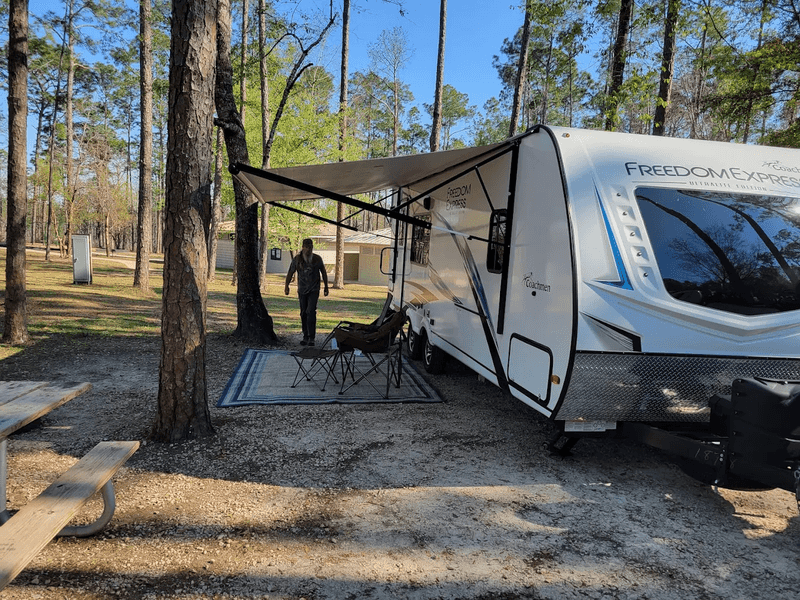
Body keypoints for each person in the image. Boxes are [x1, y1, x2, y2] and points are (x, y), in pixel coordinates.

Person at [285, 238, 329, 346]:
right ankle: (305, 336)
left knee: (311, 311)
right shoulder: (297, 259)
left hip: (314, 289)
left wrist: (326, 286)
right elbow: (290, 272)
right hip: (302, 290)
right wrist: (286, 286)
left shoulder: (317, 259)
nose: (309, 250)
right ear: (303, 248)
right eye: (307, 247)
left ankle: (311, 337)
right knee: (303, 312)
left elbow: (323, 272)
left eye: (311, 247)